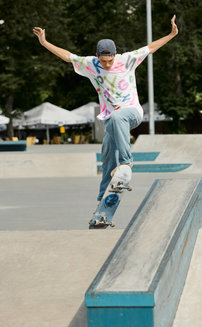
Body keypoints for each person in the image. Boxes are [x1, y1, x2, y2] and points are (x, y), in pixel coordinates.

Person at [33, 16, 178, 203]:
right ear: (97, 56)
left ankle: (126, 162)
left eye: (110, 61)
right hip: (112, 118)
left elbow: (150, 48)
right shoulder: (90, 64)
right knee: (107, 153)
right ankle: (104, 196)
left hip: (132, 112)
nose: (107, 65)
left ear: (115, 54)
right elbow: (68, 56)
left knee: (118, 117)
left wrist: (171, 35)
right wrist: (44, 42)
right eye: (103, 61)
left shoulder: (127, 60)